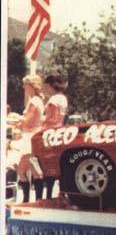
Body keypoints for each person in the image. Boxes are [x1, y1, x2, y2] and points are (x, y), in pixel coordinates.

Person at [15, 75, 45, 203]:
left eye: (25, 85)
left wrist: (17, 120)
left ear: (31, 86)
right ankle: (37, 199)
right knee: (34, 170)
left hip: (29, 138)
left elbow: (28, 122)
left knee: (21, 170)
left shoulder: (33, 101)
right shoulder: (38, 100)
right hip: (34, 137)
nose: (23, 87)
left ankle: (27, 200)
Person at [41, 72, 69, 199]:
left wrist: (41, 120)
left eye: (46, 85)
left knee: (49, 166)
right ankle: (61, 193)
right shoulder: (63, 98)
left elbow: (52, 118)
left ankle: (48, 195)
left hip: (49, 133)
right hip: (59, 131)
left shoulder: (53, 100)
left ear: (51, 85)